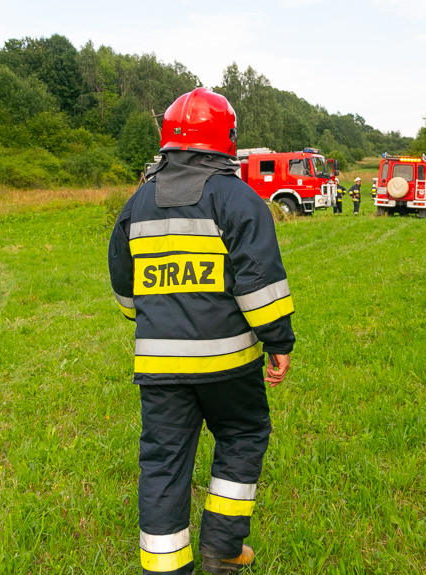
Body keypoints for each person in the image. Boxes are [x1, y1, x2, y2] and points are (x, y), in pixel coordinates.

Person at [108, 87, 295, 575]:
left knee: (164, 464)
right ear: (226, 140)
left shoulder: (137, 202)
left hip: (158, 368)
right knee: (243, 434)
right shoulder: (239, 198)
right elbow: (260, 282)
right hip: (229, 365)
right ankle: (223, 550)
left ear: (168, 139)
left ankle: (167, 567)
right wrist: (278, 341)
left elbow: (126, 288)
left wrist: (148, 321)